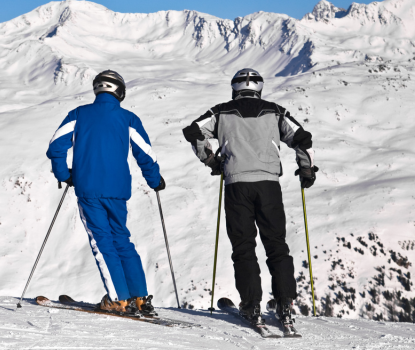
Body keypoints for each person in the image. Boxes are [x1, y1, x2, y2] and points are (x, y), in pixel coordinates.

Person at [181, 68, 317, 328]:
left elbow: (193, 131)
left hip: (236, 185)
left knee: (243, 248)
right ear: (260, 89)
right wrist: (306, 169)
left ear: (234, 89)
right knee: (276, 245)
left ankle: (251, 304)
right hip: (268, 186)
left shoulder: (220, 112)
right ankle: (285, 303)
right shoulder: (275, 111)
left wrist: (212, 160)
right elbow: (302, 138)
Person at [46, 70, 166, 317]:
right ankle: (139, 297)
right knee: (122, 240)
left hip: (89, 188)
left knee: (102, 242)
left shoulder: (78, 114)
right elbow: (145, 153)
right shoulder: (128, 118)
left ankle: (118, 299)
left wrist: (64, 174)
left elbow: (56, 146)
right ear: (119, 92)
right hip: (118, 190)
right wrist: (155, 180)